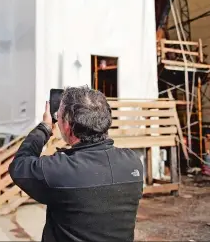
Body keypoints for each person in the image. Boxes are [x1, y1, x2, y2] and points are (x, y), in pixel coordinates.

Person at [9, 86, 144, 242]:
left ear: (67, 125)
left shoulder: (61, 170)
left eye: (58, 115)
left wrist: (44, 128)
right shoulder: (133, 163)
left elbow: (19, 165)